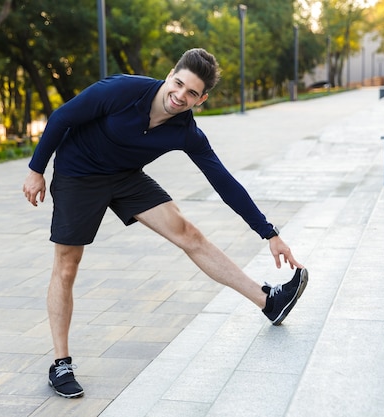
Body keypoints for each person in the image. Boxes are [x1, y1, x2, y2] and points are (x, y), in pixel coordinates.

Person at [23, 48, 309, 399]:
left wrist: (269, 232)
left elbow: (224, 182)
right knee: (67, 265)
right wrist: (37, 169)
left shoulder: (186, 132)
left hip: (125, 177)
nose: (180, 96)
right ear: (170, 74)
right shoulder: (121, 90)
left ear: (201, 99)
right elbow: (62, 117)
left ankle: (268, 302)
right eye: (178, 84)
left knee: (188, 232)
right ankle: (60, 364)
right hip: (79, 172)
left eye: (191, 93)